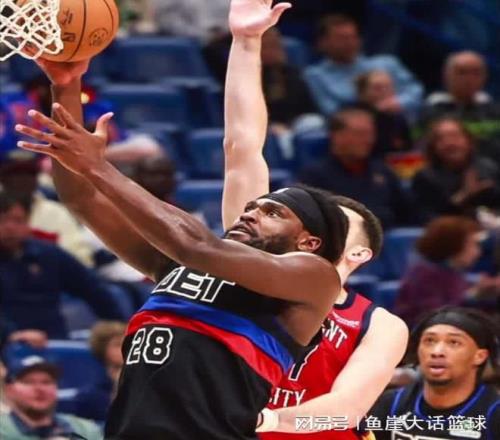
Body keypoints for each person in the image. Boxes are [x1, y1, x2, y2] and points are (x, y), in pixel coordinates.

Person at [14, 3, 349, 438]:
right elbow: (81, 197)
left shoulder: (313, 279)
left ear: (309, 242)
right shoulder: (179, 267)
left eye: (273, 212)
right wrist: (66, 86)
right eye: (253, 206)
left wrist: (99, 167)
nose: (251, 211)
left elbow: (198, 245)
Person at [221, 1, 408, 437]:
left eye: (335, 222)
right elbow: (242, 148)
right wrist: (246, 42)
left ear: (358, 253)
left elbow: (342, 414)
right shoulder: (253, 267)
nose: (317, 224)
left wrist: (266, 420)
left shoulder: (380, 324)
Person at [0, 191, 123, 338]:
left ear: (28, 222)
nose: (10, 227)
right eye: (2, 220)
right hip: (7, 343)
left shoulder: (48, 254)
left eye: (18, 220)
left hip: (53, 339)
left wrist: (122, 327)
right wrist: (10, 335)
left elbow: (93, 289)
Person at [368, 306, 500, 439]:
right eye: (429, 341)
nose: (437, 352)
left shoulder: (494, 412)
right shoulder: (391, 404)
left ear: (480, 356)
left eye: (454, 342)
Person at [299, 108, 414, 228]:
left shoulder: (382, 171)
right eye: (360, 134)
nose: (368, 140)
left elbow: (409, 212)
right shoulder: (314, 176)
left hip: (387, 234)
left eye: (371, 134)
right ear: (337, 137)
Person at [304, 14, 423, 117]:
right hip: (353, 127)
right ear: (323, 43)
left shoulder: (387, 63)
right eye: (342, 38)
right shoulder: (314, 75)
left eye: (353, 36)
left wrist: (397, 102)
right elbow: (330, 110)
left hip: (398, 119)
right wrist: (370, 107)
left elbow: (415, 90)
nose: (350, 42)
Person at [395, 216, 500, 328]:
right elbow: (438, 319)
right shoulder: (423, 276)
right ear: (453, 245)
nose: (477, 252)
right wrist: (472, 296)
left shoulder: (453, 273)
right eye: (472, 245)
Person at [0, 152, 93, 266]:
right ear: (3, 178)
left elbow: (80, 256)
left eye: (29, 174)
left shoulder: (56, 212)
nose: (22, 180)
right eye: (15, 175)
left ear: (36, 179)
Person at [412, 117, 500, 223]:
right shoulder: (425, 178)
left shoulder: (489, 168)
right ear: (433, 147)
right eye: (441, 139)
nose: (450, 143)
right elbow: (428, 219)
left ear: (469, 141)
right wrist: (463, 196)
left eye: (455, 136)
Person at [421, 51, 500, 166]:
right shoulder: (430, 111)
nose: (469, 79)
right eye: (462, 72)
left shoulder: (495, 110)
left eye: (476, 73)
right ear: (447, 76)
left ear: (485, 77)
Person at [0, 355, 102, 440]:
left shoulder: (85, 429)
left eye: (46, 382)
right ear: (9, 390)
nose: (39, 389)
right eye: (28, 382)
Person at [72, 321, 127, 422]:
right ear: (102, 349)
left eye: (129, 343)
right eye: (118, 344)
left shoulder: (146, 386)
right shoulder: (89, 397)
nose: (126, 348)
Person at [354, 70, 412, 156]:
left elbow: (407, 149)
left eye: (389, 87)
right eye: (378, 88)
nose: (385, 91)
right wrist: (377, 112)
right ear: (362, 93)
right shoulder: (351, 117)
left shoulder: (398, 117)